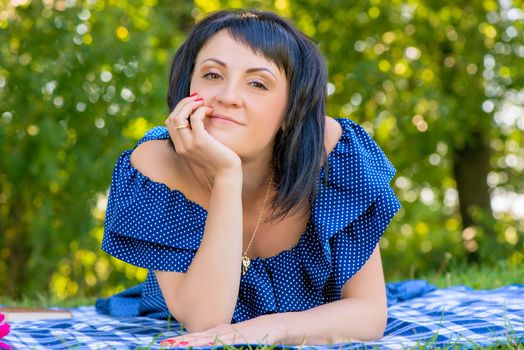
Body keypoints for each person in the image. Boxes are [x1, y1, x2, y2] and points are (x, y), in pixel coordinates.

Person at [97, 8, 401, 347]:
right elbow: (205, 323)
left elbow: (369, 314)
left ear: (290, 111)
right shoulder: (157, 164)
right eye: (212, 75)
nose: (228, 97)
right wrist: (227, 175)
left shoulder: (332, 153)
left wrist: (268, 328)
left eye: (257, 83)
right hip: (185, 300)